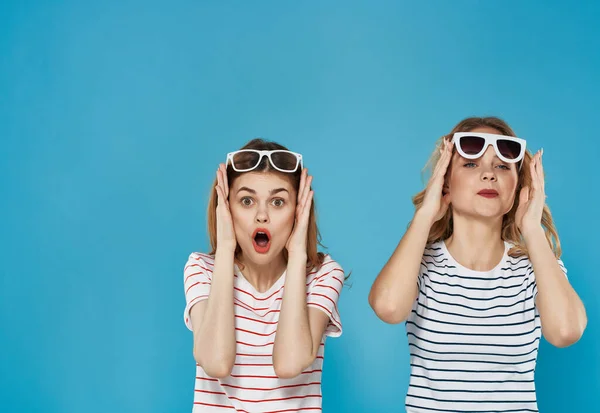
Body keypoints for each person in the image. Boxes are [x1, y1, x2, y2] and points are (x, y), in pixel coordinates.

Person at [369, 116, 587, 412]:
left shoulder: (535, 268)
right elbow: (388, 307)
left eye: (502, 166)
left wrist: (532, 230)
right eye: (471, 164)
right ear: (445, 179)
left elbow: (565, 332)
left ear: (518, 186)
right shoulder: (418, 263)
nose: (489, 175)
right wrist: (425, 214)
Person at [183, 139, 344, 412]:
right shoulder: (202, 269)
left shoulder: (322, 275)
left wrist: (296, 255)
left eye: (278, 202)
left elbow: (289, 363)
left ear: (298, 210)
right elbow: (215, 362)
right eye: (246, 201)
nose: (261, 215)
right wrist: (224, 249)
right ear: (227, 208)